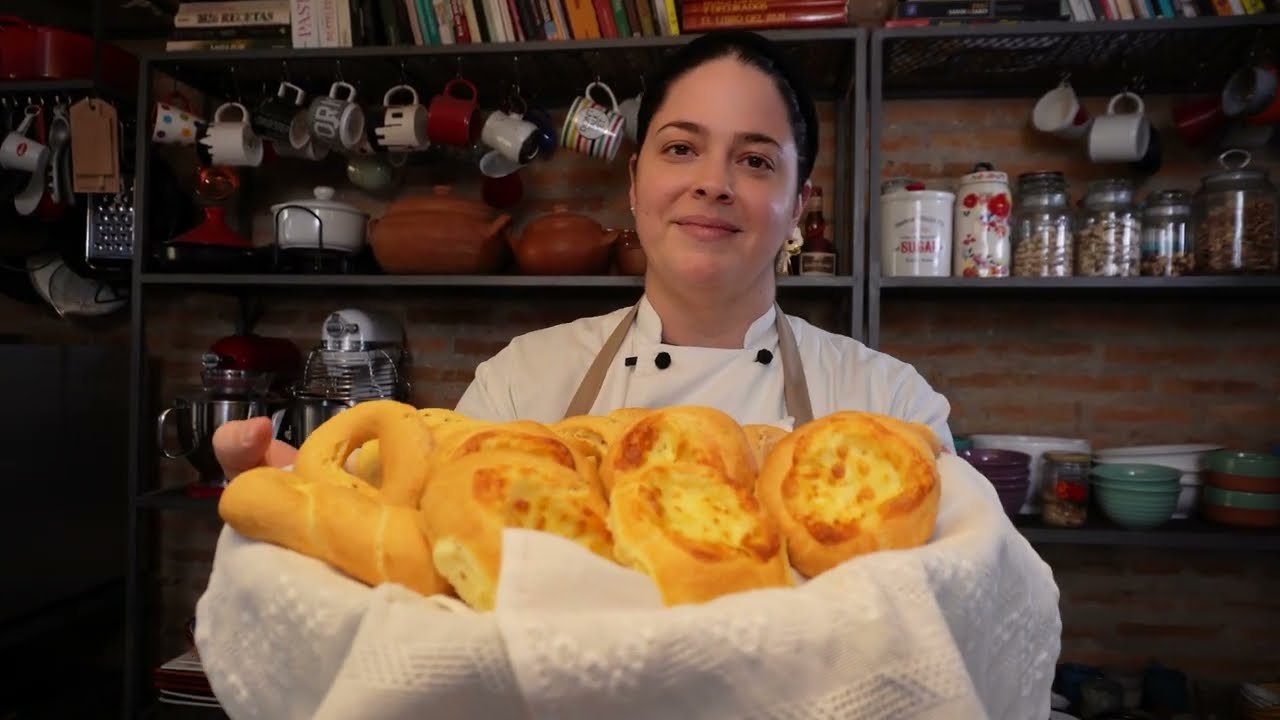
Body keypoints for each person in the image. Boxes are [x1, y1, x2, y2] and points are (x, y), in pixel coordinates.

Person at [212, 29, 954, 479]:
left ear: (798, 206)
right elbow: (434, 568)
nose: (712, 184)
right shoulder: (519, 387)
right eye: (681, 148)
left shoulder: (891, 409)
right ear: (635, 184)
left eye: (756, 161)